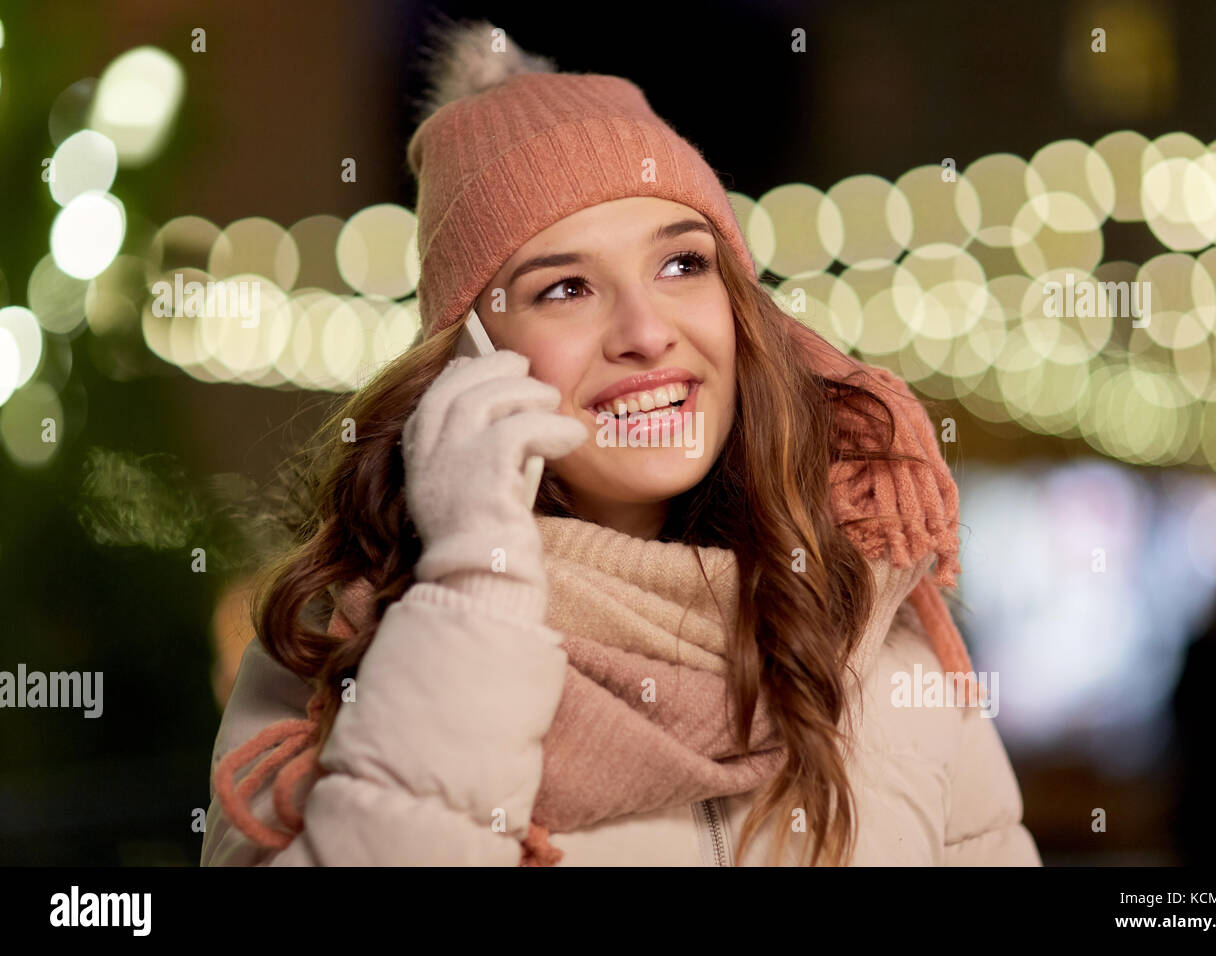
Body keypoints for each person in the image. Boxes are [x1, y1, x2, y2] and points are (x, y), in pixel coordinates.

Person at [200, 19, 1041, 867]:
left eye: (682, 265)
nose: (647, 332)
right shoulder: (336, 653)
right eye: (565, 287)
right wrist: (470, 591)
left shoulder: (867, 617)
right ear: (468, 360)